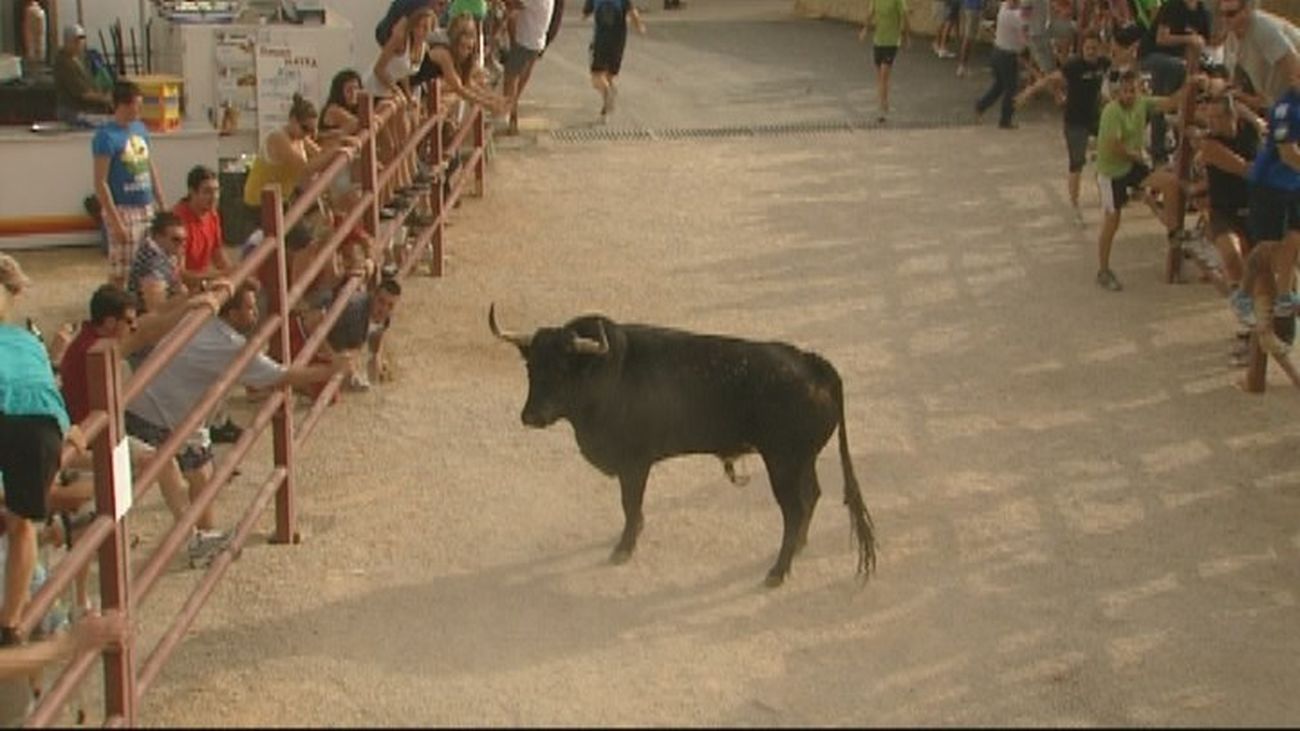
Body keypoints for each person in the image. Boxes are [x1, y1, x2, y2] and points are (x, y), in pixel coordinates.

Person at [124, 282, 356, 567]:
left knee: (203, 478)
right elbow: (279, 376)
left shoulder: (204, 321)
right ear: (231, 315)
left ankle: (203, 541)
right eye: (248, 307)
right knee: (161, 478)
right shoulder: (228, 345)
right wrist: (331, 370)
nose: (256, 310)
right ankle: (193, 538)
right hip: (159, 414)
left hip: (177, 411)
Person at [0, 255, 88, 646]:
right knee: (23, 525)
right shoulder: (25, 341)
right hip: (42, 424)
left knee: (19, 523)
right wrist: (71, 431)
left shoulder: (23, 341)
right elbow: (46, 389)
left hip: (20, 418)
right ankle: (10, 624)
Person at [1092, 68, 1187, 291]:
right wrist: (1136, 155)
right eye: (1124, 91)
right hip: (1111, 172)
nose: (1128, 95)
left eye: (1132, 91)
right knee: (1112, 221)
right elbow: (1112, 145)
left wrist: (1191, 84)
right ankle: (1103, 270)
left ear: (1139, 89)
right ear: (1117, 92)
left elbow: (1171, 102)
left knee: (1170, 182)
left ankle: (1173, 230)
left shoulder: (1143, 103)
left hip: (1132, 165)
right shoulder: (1111, 112)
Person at [1016, 30, 1112, 223]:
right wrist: (1029, 92)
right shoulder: (1074, 66)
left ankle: (1108, 192)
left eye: (1094, 48)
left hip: (1095, 118)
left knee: (1110, 151)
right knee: (1076, 164)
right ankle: (1075, 205)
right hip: (1075, 122)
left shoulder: (1103, 63)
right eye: (1088, 48)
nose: (1091, 52)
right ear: (1082, 49)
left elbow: (1121, 60)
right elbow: (1050, 79)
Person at [93, 81, 166, 290]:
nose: (139, 111)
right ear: (122, 105)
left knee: (149, 261)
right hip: (123, 207)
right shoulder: (106, 136)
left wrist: (160, 199)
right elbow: (100, 181)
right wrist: (115, 221)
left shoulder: (140, 129)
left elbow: (150, 165)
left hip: (145, 203)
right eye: (136, 105)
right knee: (122, 270)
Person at [1138, 0, 1210, 165]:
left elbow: (1203, 43)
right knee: (1165, 96)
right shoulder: (1172, 7)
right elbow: (1161, 38)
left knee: (1189, 90)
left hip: (1181, 63)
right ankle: (1158, 149)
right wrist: (1189, 38)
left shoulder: (1203, 13)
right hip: (1154, 56)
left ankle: (1183, 146)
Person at [326, 278, 403, 390]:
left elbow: (377, 337)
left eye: (390, 306)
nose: (384, 309)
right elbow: (334, 346)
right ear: (373, 296)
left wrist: (377, 358)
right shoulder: (355, 313)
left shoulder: (385, 316)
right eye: (381, 301)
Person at [501, 0, 557, 135]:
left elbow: (514, 3)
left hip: (525, 41)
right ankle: (510, 108)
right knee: (522, 75)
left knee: (511, 77)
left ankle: (510, 112)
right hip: (537, 40)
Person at [173, 166, 233, 292]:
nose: (214, 197)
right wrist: (221, 275)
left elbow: (218, 255)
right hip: (178, 291)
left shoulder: (212, 214)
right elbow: (181, 275)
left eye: (216, 191)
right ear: (192, 192)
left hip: (200, 284)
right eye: (207, 192)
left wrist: (236, 274)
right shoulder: (178, 222)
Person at [583, 0, 646, 119]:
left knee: (596, 76)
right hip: (618, 41)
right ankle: (606, 105)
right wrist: (639, 27)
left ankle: (607, 93)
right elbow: (633, 13)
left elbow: (586, 13)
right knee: (609, 75)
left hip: (600, 40)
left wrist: (584, 16)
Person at [975, 0, 1029, 129]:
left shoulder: (1004, 8)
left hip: (997, 52)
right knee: (1011, 89)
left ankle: (981, 106)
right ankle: (1005, 120)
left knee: (999, 85)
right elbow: (1025, 36)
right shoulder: (1015, 16)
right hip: (1007, 55)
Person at [859, 0, 911, 123]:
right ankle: (883, 102)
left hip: (892, 42)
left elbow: (905, 16)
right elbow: (870, 13)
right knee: (879, 77)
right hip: (878, 41)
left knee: (884, 75)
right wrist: (865, 29)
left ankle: (882, 109)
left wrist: (906, 36)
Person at [52, 24, 111, 126]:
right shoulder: (64, 63)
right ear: (67, 42)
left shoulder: (79, 59)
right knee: (105, 123)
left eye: (81, 41)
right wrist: (105, 98)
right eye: (76, 42)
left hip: (83, 110)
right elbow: (82, 93)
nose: (80, 44)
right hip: (72, 111)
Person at [956, 0, 985, 77]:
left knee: (968, 37)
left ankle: (963, 65)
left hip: (969, 7)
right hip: (973, 8)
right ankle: (962, 66)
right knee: (968, 38)